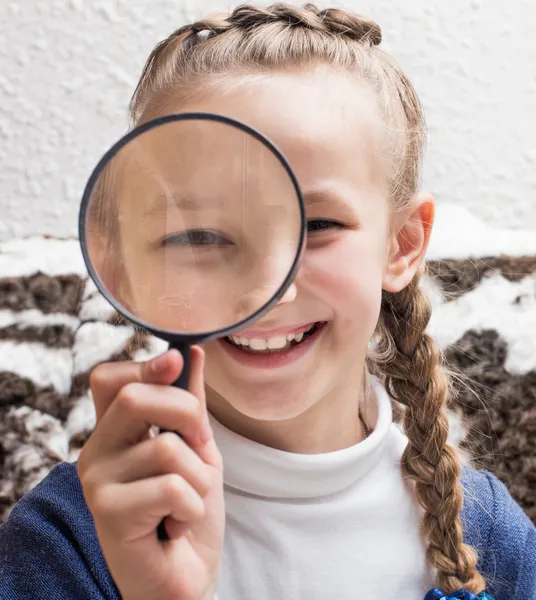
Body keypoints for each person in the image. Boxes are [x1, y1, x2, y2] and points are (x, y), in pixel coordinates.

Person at [1, 4, 534, 600]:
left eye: (320, 223)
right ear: (127, 261)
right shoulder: (68, 540)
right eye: (197, 235)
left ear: (402, 245)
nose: (266, 288)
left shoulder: (490, 538)